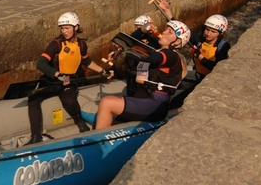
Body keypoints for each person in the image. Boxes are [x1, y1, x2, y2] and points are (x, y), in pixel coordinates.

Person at [26, 12, 113, 144]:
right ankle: (35, 136)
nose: (64, 31)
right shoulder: (56, 43)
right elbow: (41, 63)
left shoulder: (82, 45)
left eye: (67, 28)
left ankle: (80, 123)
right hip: (52, 80)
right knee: (33, 99)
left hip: (68, 82)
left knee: (70, 101)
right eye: (62, 28)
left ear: (76, 27)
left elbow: (87, 61)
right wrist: (57, 74)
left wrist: (103, 71)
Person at [95, 20, 191, 129]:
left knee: (106, 102)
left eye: (170, 32)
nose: (164, 32)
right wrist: (142, 30)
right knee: (114, 123)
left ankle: (96, 143)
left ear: (177, 42)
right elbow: (132, 42)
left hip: (155, 104)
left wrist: (125, 54)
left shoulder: (172, 56)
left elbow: (153, 58)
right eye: (165, 29)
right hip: (141, 99)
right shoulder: (156, 51)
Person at [155, 0, 231, 108]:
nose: (208, 34)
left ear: (220, 34)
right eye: (207, 30)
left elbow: (219, 68)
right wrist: (167, 10)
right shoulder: (199, 40)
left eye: (213, 32)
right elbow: (181, 29)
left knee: (176, 103)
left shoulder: (223, 47)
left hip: (210, 81)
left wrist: (200, 57)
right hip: (198, 75)